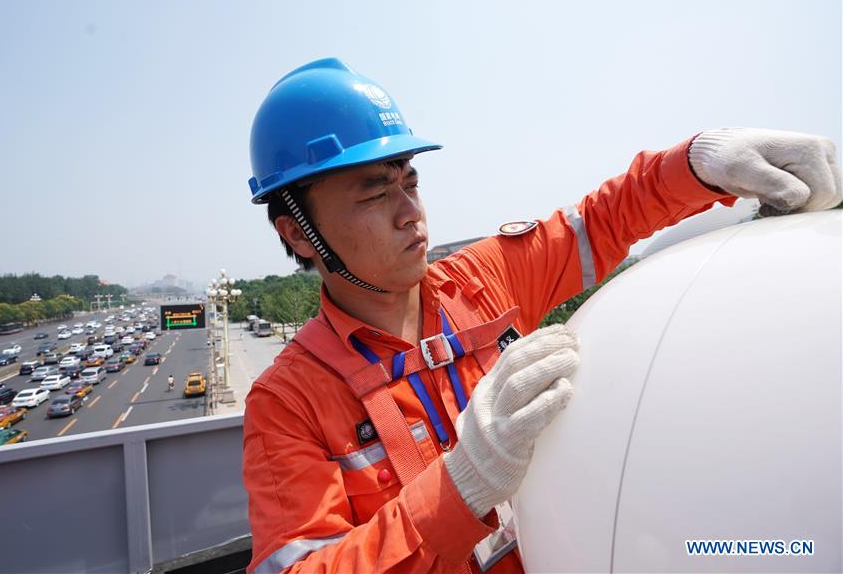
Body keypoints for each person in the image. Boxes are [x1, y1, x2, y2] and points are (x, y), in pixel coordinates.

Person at [242, 58, 841, 573]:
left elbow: (601, 220)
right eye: (374, 192)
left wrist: (701, 163)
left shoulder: (480, 282)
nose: (411, 213)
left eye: (411, 182)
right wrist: (463, 484)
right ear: (299, 232)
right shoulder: (288, 403)